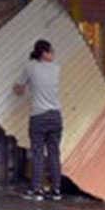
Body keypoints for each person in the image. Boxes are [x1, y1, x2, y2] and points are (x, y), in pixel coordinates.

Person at [13, 39, 63, 201]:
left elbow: (18, 89)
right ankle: (56, 190)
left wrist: (22, 89)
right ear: (44, 53)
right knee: (54, 153)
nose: (54, 54)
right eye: (51, 51)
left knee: (37, 153)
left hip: (39, 117)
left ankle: (37, 190)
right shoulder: (56, 68)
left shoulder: (30, 67)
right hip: (56, 116)